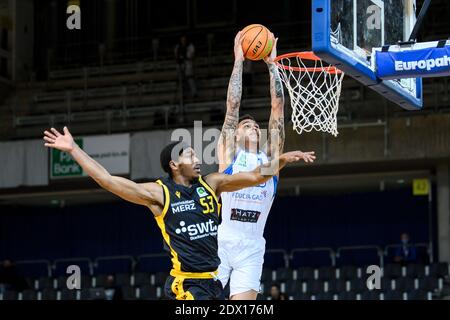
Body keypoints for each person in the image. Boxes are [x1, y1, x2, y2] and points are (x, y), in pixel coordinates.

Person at [43, 127, 315, 300]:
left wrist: (281, 160)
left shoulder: (212, 184)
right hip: (186, 286)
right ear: (174, 165)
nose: (197, 160)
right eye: (189, 156)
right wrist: (74, 150)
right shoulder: (159, 194)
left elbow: (256, 176)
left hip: (212, 283)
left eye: (197, 155)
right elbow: (107, 180)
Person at [216, 31, 287, 300]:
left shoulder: (269, 162)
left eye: (256, 125)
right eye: (247, 125)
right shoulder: (230, 154)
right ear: (235, 135)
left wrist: (272, 65)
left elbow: (277, 109)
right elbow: (233, 107)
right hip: (222, 242)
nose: (254, 126)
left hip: (253, 246)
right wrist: (238, 60)